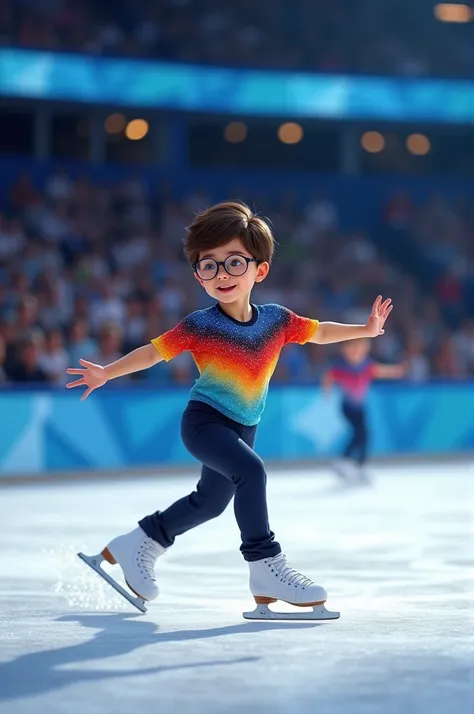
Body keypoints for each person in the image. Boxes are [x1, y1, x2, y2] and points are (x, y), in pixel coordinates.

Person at [66, 201, 393, 617]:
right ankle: (265, 565)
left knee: (212, 500)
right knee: (251, 471)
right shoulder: (199, 324)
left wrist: (364, 330)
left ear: (260, 270)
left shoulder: (277, 319)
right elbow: (152, 353)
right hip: (204, 421)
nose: (221, 274)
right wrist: (107, 373)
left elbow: (321, 331)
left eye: (234, 262)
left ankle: (138, 543)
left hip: (244, 426)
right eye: (209, 265)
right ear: (199, 276)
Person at [322, 338, 404, 483]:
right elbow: (329, 376)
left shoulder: (366, 366)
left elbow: (380, 371)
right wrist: (326, 392)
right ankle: (347, 461)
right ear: (345, 350)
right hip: (348, 407)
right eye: (352, 349)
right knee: (359, 433)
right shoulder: (341, 368)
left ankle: (359, 464)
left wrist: (396, 370)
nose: (355, 353)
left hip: (360, 407)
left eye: (359, 349)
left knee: (364, 434)